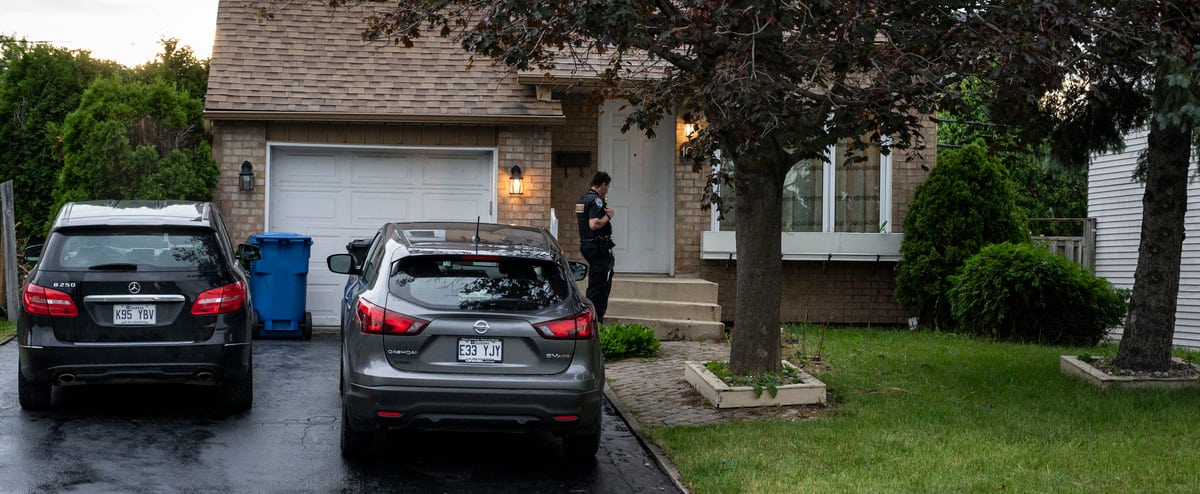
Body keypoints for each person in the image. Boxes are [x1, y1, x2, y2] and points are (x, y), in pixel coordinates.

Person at [576, 171, 615, 323]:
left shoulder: (582, 199)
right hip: (598, 247)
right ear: (603, 185)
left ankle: (593, 318)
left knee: (595, 281)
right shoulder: (596, 200)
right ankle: (595, 319)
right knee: (600, 285)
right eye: (608, 187)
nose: (607, 190)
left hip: (586, 244)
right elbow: (594, 223)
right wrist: (608, 216)